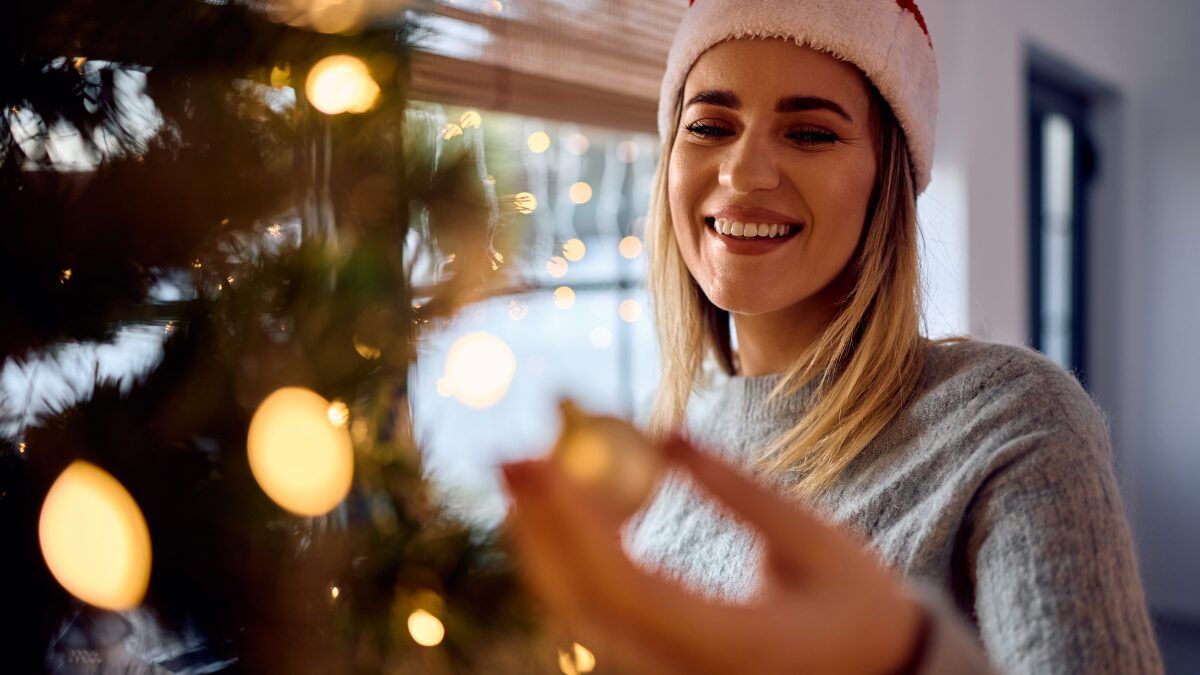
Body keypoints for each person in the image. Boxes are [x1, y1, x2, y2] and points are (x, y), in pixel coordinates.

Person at [498, 1, 1165, 673]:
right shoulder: (660, 438)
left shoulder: (1014, 422)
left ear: (886, 182)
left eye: (811, 133)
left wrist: (907, 651)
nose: (742, 174)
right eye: (708, 126)